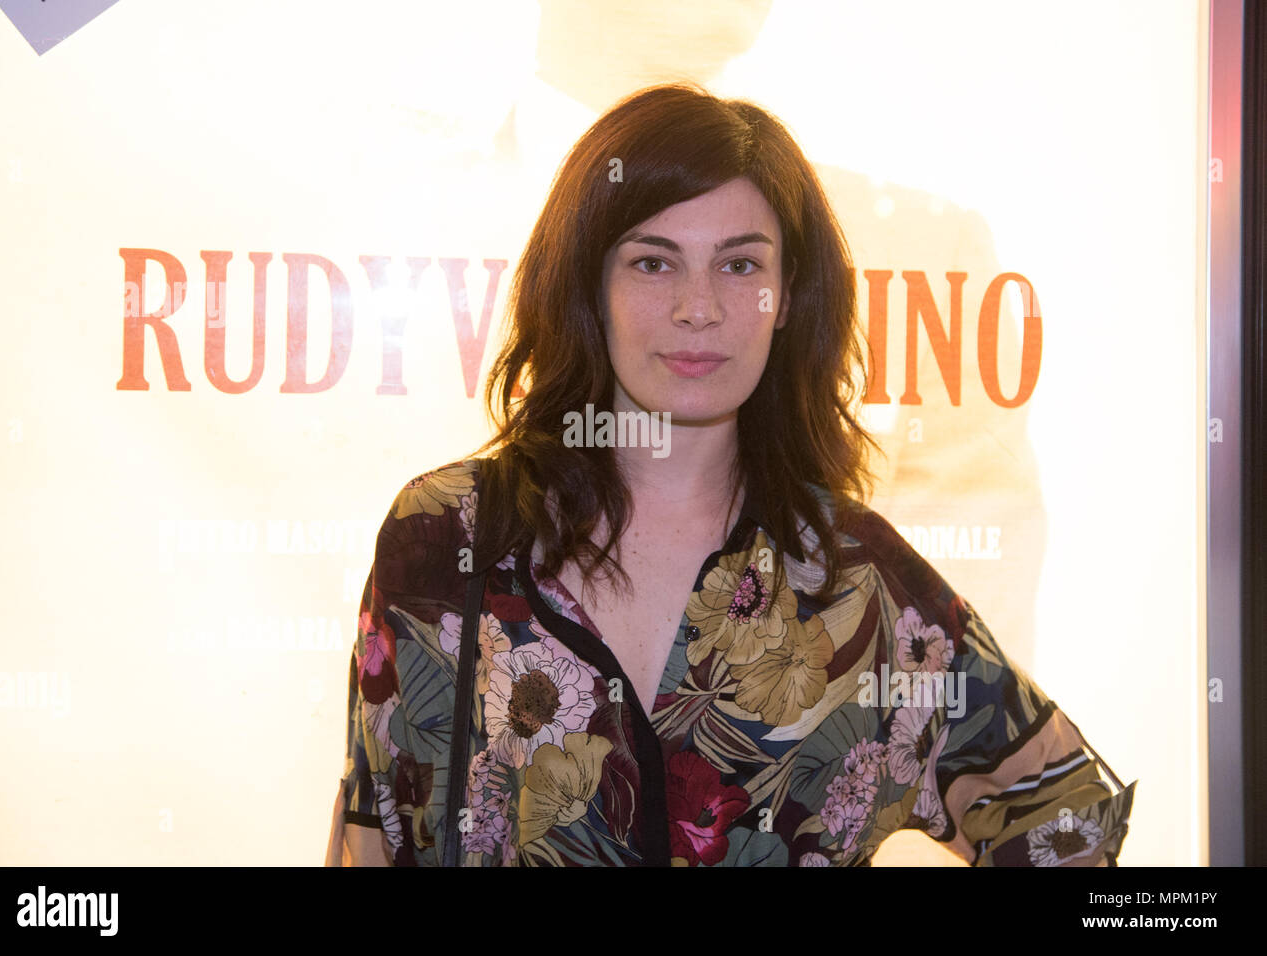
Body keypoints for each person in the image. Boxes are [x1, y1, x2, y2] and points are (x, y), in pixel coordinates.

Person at [324, 83, 1135, 867]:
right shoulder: (445, 538)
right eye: (652, 263)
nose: (699, 306)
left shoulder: (856, 584)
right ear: (588, 285)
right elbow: (372, 834)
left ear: (787, 296)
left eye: (741, 266)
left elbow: (1065, 821)